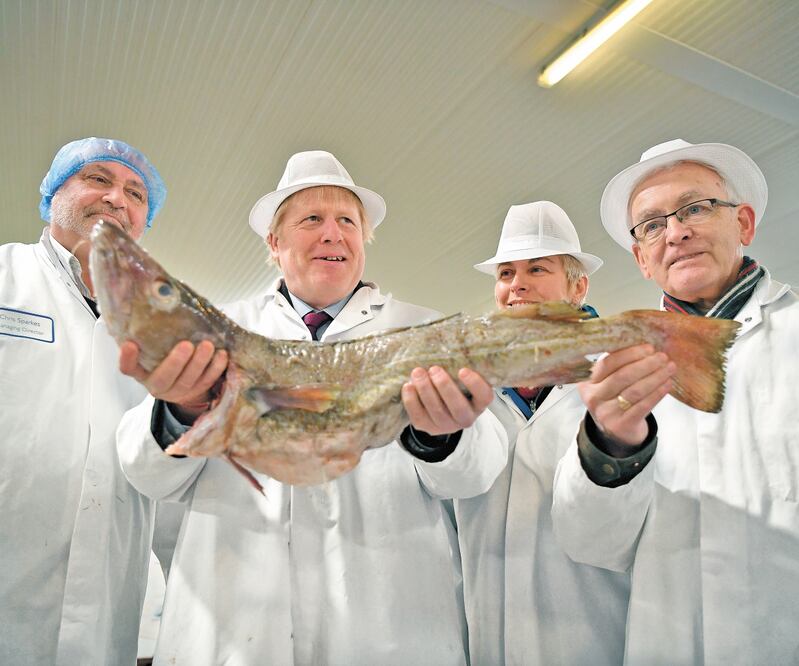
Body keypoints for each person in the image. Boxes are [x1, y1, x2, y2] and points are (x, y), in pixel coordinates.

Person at [116, 150, 508, 665]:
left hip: (389, 628)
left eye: (347, 220)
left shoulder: (424, 332)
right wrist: (182, 412)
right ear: (274, 243)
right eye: (311, 220)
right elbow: (146, 475)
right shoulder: (214, 333)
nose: (332, 233)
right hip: (237, 627)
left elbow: (475, 477)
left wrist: (442, 437)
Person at [552, 139, 799, 663]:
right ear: (642, 258)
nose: (677, 232)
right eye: (652, 225)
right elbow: (592, 545)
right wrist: (611, 446)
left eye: (696, 208)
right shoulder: (609, 369)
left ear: (745, 224)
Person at [0, 137, 171, 664]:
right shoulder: (7, 277)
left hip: (107, 605)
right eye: (98, 179)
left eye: (136, 193)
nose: (119, 199)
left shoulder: (160, 321)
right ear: (54, 195)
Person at [456, 201, 629, 665]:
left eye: (537, 268)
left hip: (590, 633)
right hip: (488, 630)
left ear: (578, 287)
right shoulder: (470, 379)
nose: (518, 285)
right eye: (506, 273)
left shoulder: (617, 371)